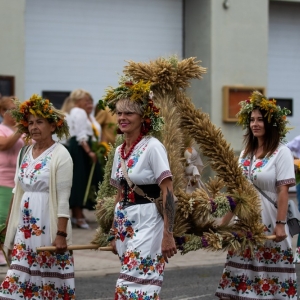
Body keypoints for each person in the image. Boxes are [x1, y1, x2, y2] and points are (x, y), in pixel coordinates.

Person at [215, 91, 297, 299]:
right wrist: (222, 224)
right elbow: (237, 193)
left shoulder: (282, 152)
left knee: (270, 284)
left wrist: (280, 224)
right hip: (244, 225)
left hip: (270, 222)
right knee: (242, 282)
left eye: (261, 119)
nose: (255, 124)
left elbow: (283, 191)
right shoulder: (245, 154)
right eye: (252, 120)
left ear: (271, 124)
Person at [100, 78, 177, 299]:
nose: (122, 118)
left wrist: (168, 234)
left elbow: (168, 191)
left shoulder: (153, 147)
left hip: (149, 220)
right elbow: (119, 194)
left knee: (134, 285)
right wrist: (114, 232)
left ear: (143, 117)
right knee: (133, 283)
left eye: (129, 113)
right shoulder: (119, 151)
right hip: (125, 221)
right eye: (119, 113)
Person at [0, 94, 75, 299]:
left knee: (48, 282)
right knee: (15, 284)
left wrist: (61, 234)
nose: (34, 127)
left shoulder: (61, 154)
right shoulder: (24, 153)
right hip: (24, 226)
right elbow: (17, 191)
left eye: (40, 122)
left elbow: (63, 197)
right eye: (30, 123)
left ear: (53, 125)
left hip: (48, 224)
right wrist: (8, 225)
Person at [68, 89, 102, 229]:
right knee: (79, 181)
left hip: (86, 147)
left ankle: (79, 213)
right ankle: (77, 214)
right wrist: (89, 151)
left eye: (90, 101)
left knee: (84, 180)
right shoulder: (79, 112)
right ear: (77, 101)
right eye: (86, 100)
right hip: (81, 148)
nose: (89, 103)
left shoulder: (89, 115)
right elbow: (81, 134)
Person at [0, 96, 24, 266]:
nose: (15, 113)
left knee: (16, 219)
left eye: (17, 109)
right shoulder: (1, 129)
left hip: (19, 179)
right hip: (3, 178)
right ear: (2, 112)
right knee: (3, 218)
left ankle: (11, 250)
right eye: (11, 109)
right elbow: (5, 145)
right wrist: (20, 130)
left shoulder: (21, 131)